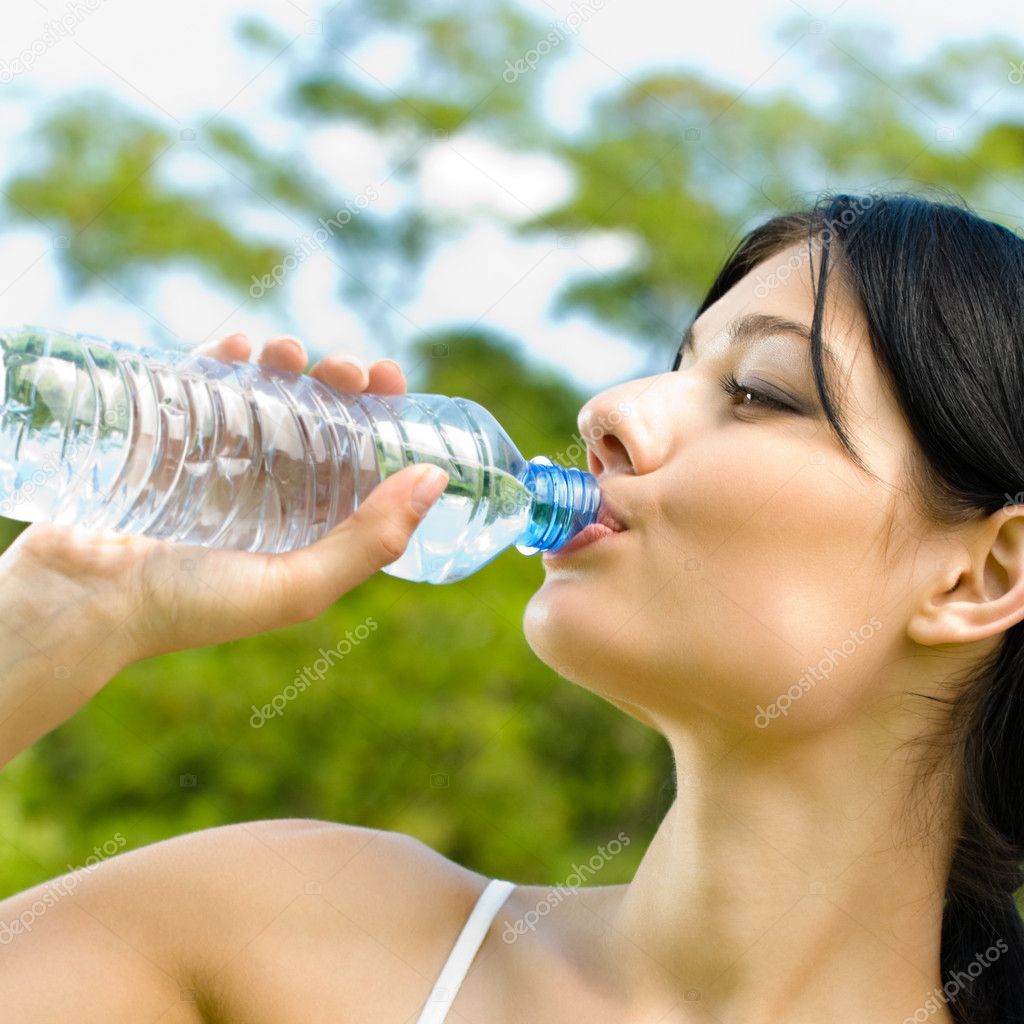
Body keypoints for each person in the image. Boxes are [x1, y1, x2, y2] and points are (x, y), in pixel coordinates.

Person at [2, 190, 1023, 1023]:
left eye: (758, 391)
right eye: (679, 365)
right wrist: (50, 626)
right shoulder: (283, 932)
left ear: (979, 574)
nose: (607, 410)